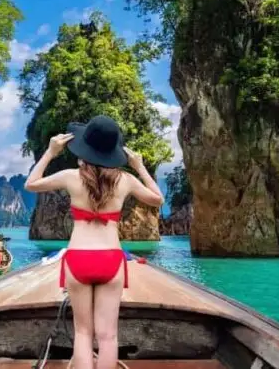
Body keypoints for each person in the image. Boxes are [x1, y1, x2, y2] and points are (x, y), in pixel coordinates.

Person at [24, 114, 164, 369]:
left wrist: (50, 152)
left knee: (83, 333)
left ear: (85, 148)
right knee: (108, 336)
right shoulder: (126, 180)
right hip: (111, 259)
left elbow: (31, 184)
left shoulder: (70, 177)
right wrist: (139, 166)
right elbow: (158, 199)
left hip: (78, 258)